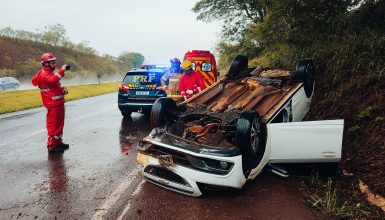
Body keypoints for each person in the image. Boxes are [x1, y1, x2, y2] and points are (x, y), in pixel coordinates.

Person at [32, 53, 70, 153]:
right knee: (53, 125)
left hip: (58, 102)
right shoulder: (44, 74)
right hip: (53, 104)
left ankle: (58, 143)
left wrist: (62, 90)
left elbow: (53, 86)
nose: (55, 64)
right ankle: (52, 146)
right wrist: (62, 70)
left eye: (54, 62)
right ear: (46, 64)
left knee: (59, 124)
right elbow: (52, 80)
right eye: (52, 62)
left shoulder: (48, 73)